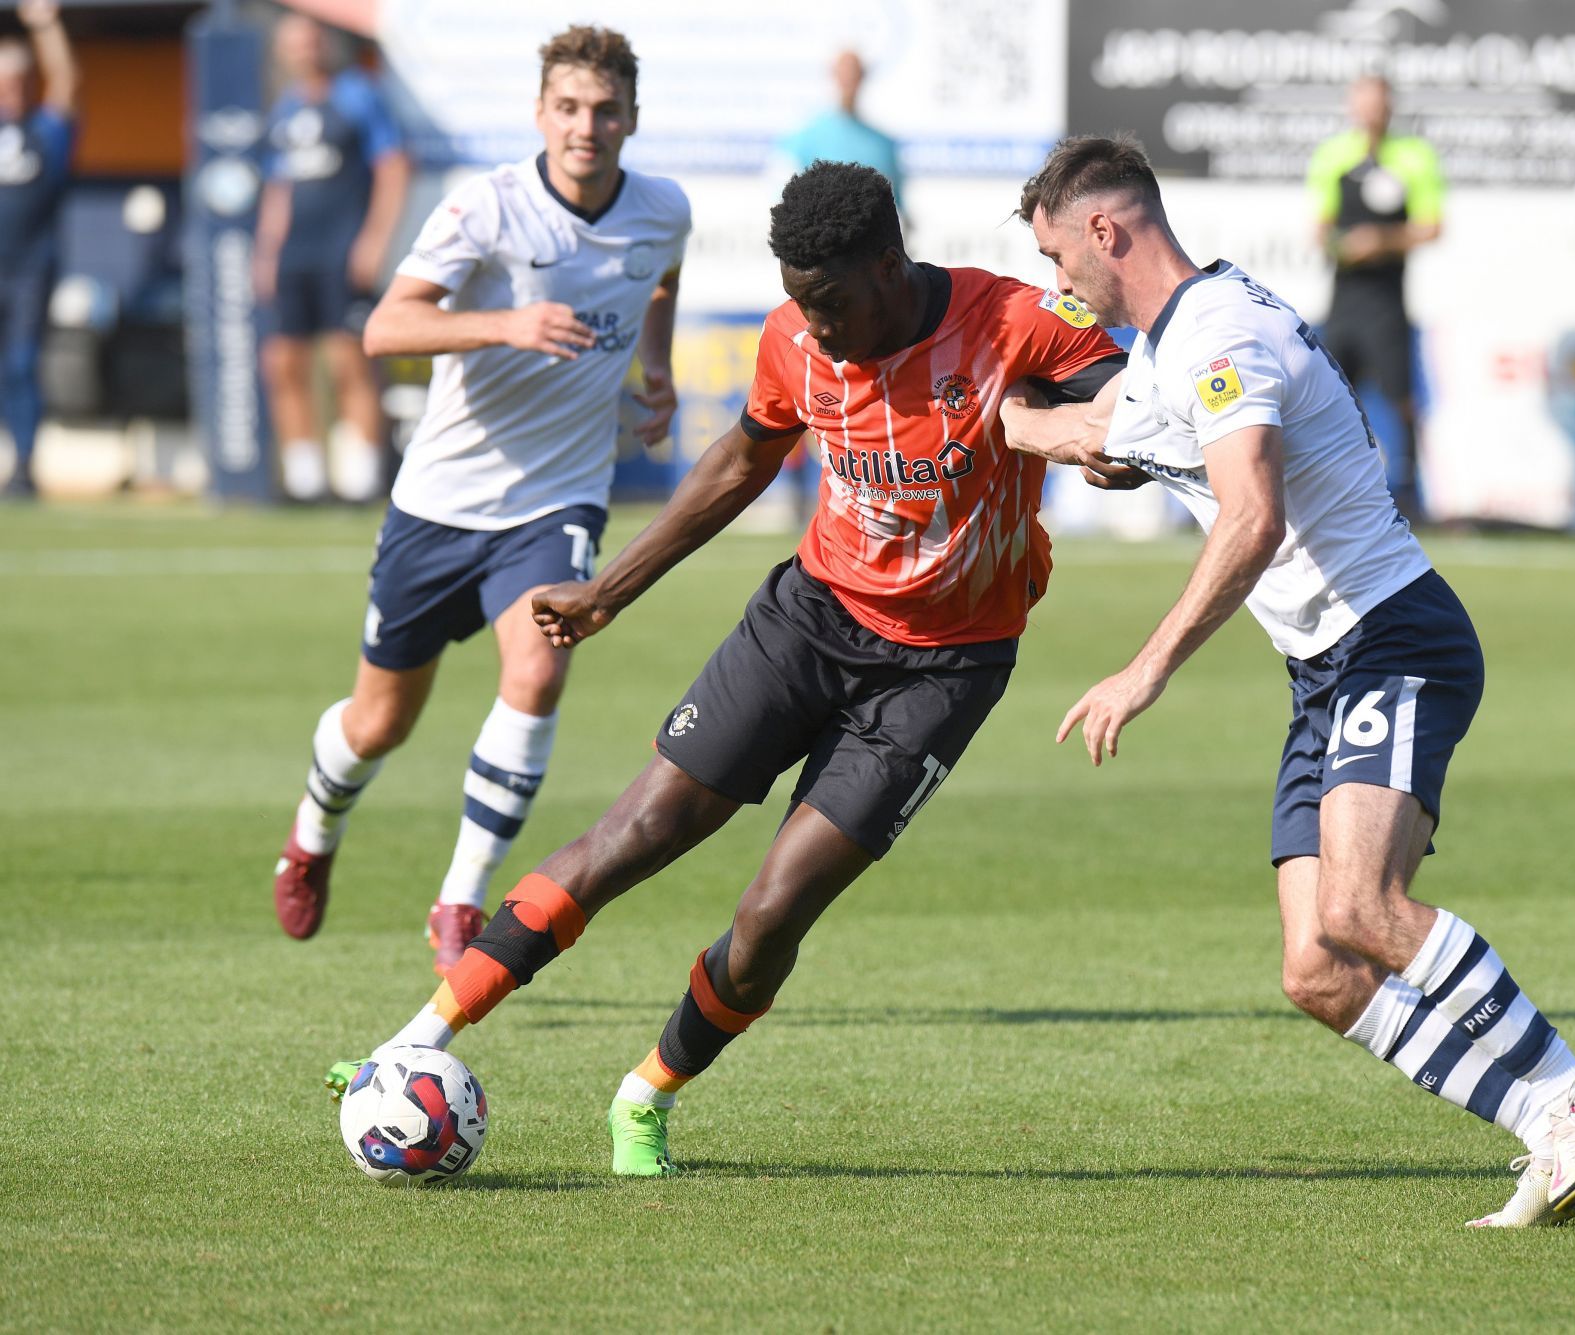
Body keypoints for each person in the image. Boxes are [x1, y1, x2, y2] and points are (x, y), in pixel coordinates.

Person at [324, 160, 1132, 1177]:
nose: (815, 326)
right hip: (811, 617)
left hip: (945, 667)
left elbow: (1134, 416)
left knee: (770, 914)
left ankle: (646, 1095)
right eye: (799, 302)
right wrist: (611, 589)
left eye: (831, 302)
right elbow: (743, 462)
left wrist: (1088, 436)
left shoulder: (1015, 320)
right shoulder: (795, 337)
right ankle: (416, 1041)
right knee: (635, 831)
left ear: (890, 266)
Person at [1000, 135, 1575, 1229]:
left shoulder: (1220, 336)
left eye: (1059, 256)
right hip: (1323, 672)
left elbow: (1251, 519)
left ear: (1106, 232)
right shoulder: (1168, 348)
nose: (1056, 284)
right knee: (1316, 968)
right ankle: (1548, 1128)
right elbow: (1088, 428)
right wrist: (1002, 414)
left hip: (1392, 639)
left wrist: (1144, 669)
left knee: (1362, 907)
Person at [272, 25, 687, 975]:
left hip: (559, 499)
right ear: (541, 114)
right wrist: (508, 322)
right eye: (570, 108)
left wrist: (652, 371)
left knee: (538, 674)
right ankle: (313, 830)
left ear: (632, 118)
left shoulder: (662, 209)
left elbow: (661, 277)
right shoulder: (487, 208)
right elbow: (386, 327)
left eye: (606, 110)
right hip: (440, 503)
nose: (588, 126)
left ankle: (460, 899)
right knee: (379, 722)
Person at [253, 11, 410, 503]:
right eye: (295, 42)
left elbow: (394, 168)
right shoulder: (285, 108)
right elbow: (279, 188)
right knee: (283, 363)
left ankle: (361, 479)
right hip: (294, 255)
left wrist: (374, 240)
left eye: (312, 40)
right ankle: (304, 481)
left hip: (342, 251)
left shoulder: (358, 94)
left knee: (351, 362)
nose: (306, 50)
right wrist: (266, 252)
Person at [1304, 74, 1442, 522]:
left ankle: (1410, 494)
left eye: (1379, 105)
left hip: (1389, 299)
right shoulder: (1333, 155)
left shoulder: (1413, 156)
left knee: (1402, 399)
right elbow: (1320, 228)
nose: (1371, 114)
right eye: (1363, 104)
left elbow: (1431, 225)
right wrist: (1344, 245)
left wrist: (1381, 240)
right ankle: (1323, 492)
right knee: (1330, 399)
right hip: (1345, 300)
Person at [0, 0, 77, 502]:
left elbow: (68, 84)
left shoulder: (45, 133)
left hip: (29, 270)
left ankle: (24, 465)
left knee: (22, 364)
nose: (13, 87)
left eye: (19, 78)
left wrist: (46, 25)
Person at [774, 49, 902, 203]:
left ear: (862, 77)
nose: (849, 79)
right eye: (844, 72)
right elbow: (782, 197)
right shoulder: (804, 140)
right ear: (834, 75)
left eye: (854, 73)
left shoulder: (882, 146)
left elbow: (898, 203)